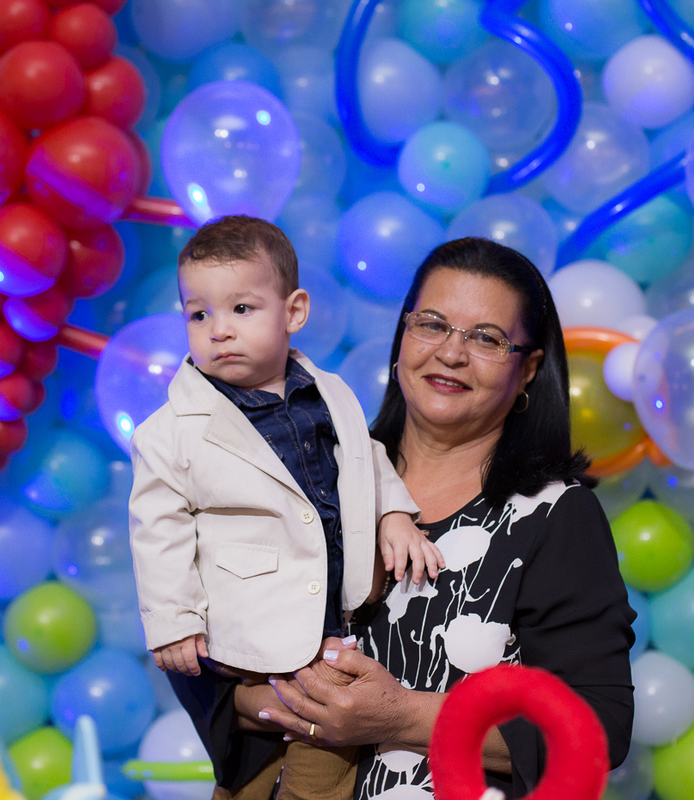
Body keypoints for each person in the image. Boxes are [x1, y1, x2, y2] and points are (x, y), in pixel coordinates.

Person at [170, 237, 636, 799]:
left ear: (528, 369)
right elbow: (199, 630)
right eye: (432, 325)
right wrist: (279, 703)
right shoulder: (315, 470)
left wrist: (401, 716)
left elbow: (596, 728)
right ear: (402, 338)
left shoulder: (554, 515)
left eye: (487, 338)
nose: (451, 354)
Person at [127, 215, 445, 800]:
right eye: (199, 315)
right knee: (256, 762)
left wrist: (394, 515)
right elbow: (158, 530)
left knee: (323, 745)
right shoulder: (169, 432)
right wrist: (174, 620)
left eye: (241, 309)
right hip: (246, 621)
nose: (219, 330)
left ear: (293, 312)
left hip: (329, 623)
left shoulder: (330, 393)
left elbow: (365, 457)